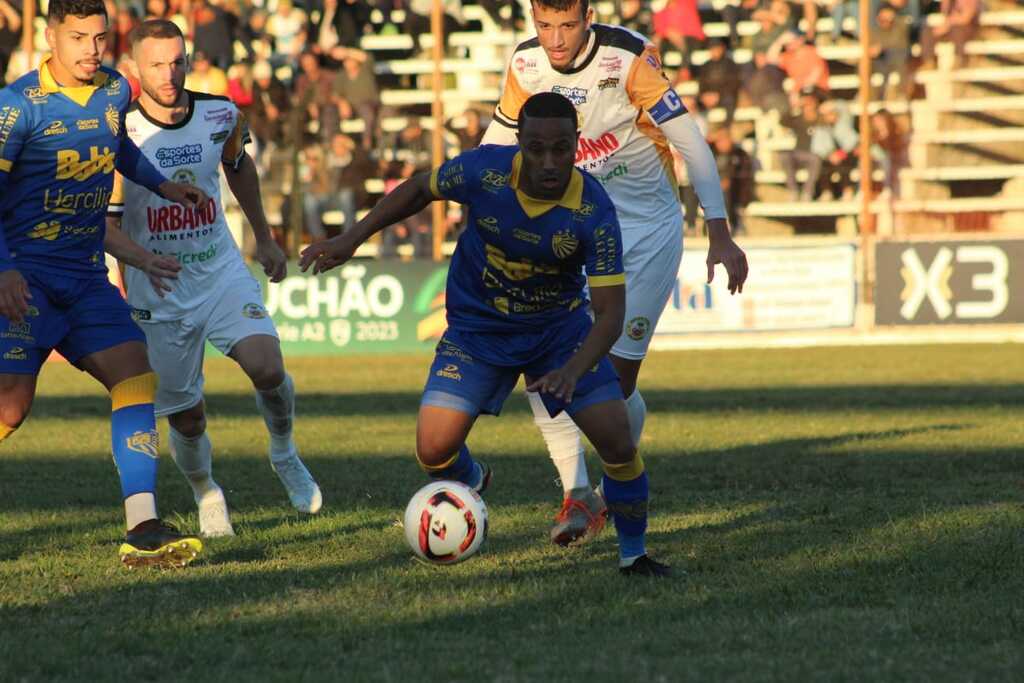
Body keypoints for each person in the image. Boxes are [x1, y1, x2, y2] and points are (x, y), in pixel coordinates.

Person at [302, 92, 671, 577]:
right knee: (432, 451)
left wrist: (572, 369)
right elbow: (417, 189)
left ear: (576, 146)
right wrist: (352, 238)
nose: (548, 161)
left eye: (561, 149)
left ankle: (634, 556)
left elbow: (609, 314)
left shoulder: (594, 213)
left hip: (557, 333)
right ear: (518, 142)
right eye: (535, 147)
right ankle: (472, 480)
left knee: (618, 443)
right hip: (478, 330)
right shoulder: (484, 171)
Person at [481, 0, 747, 546]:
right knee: (543, 354)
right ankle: (577, 494)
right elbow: (494, 146)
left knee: (613, 379)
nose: (555, 39)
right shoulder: (526, 65)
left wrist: (718, 229)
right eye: (544, 24)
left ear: (589, 16)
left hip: (646, 231)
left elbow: (689, 141)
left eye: (568, 25)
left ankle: (610, 480)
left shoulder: (628, 58)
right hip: (574, 229)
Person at [0, 0, 210, 568]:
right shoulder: (18, 107)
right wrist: (3, 269)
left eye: (99, 37)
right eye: (77, 38)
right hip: (26, 279)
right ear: (50, 39)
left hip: (86, 277)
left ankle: (142, 527)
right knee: (11, 410)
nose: (91, 50)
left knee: (136, 378)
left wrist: (164, 186)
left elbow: (120, 152)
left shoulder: (115, 91)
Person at [105, 19, 323, 537]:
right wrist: (138, 263)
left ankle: (285, 452)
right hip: (157, 288)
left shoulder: (221, 113)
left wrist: (265, 238)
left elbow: (238, 166)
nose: (170, 73)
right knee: (187, 417)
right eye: (156, 63)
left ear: (189, 57)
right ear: (135, 66)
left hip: (219, 268)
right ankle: (207, 492)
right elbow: (107, 224)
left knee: (267, 368)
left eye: (177, 60)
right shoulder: (120, 133)